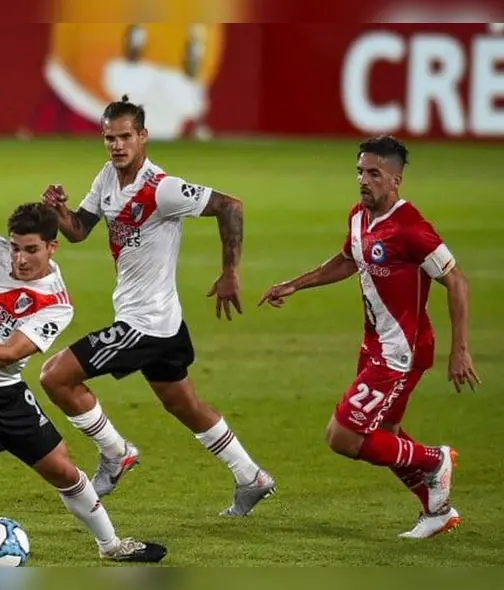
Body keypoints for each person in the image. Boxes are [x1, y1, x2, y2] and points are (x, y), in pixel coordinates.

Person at [39, 95, 276, 517]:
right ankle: (250, 476)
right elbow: (79, 230)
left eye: (125, 136)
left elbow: (230, 206)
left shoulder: (161, 189)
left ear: (143, 136)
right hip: (161, 321)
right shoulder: (108, 179)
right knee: (183, 403)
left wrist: (230, 273)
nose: (116, 145)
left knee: (55, 377)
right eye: (109, 137)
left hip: (143, 324)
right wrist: (58, 211)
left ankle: (115, 452)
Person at [0, 203, 167, 566]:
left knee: (63, 470)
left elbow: (10, 353)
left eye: (31, 249)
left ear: (51, 247)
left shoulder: (55, 304)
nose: (19, 258)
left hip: (3, 386)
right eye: (15, 247)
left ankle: (111, 544)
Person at [259, 135, 479, 539]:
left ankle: (435, 461)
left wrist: (460, 350)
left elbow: (457, 281)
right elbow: (346, 261)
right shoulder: (359, 217)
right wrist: (296, 284)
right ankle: (438, 511)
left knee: (342, 436)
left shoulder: (412, 229)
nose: (364, 180)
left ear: (395, 180)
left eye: (374, 173)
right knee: (387, 435)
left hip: (401, 353)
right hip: (374, 345)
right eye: (360, 171)